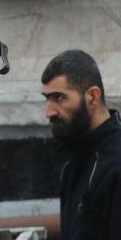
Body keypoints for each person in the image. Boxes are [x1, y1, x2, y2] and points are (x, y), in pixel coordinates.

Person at [42, 50, 121, 239]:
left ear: (92, 97)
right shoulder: (73, 162)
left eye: (59, 97)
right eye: (47, 98)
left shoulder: (115, 165)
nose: (48, 112)